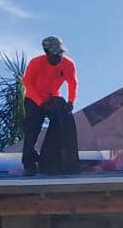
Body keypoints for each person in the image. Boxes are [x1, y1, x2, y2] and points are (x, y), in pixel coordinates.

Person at [21, 36, 79, 175]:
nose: (59, 56)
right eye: (55, 53)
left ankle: (57, 159)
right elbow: (27, 83)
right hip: (33, 99)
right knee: (32, 130)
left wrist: (71, 101)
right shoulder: (36, 63)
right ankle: (29, 164)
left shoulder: (68, 64)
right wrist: (41, 102)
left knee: (63, 122)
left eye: (60, 52)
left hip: (52, 97)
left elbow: (72, 82)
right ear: (47, 53)